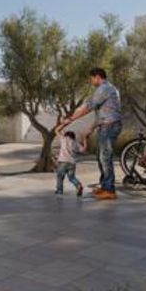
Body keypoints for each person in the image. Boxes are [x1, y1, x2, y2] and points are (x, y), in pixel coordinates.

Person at [62, 67, 123, 200]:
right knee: (101, 157)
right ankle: (105, 186)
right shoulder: (108, 88)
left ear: (97, 77)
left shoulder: (104, 88)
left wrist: (71, 119)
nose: (91, 81)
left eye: (91, 78)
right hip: (106, 126)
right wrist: (92, 128)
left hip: (109, 126)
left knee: (105, 157)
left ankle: (110, 190)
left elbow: (90, 106)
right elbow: (103, 112)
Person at [54, 128, 85, 197]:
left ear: (66, 135)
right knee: (72, 177)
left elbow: (56, 130)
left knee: (60, 176)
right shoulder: (76, 143)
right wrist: (85, 140)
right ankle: (78, 185)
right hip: (72, 163)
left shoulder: (63, 139)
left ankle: (59, 191)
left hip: (63, 162)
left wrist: (63, 125)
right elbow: (83, 150)